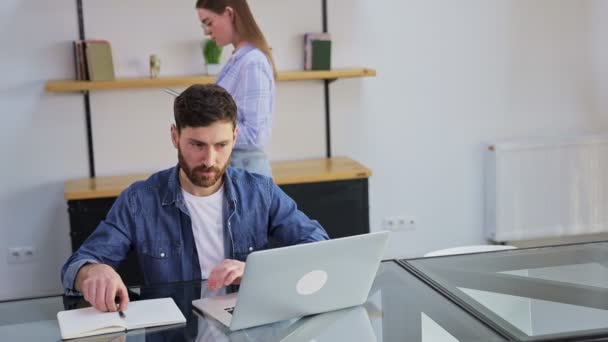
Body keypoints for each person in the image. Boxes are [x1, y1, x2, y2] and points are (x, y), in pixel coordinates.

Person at [61, 84, 329, 313]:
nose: (209, 160)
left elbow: (319, 246)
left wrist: (258, 271)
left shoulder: (260, 192)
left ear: (235, 138)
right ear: (175, 137)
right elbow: (78, 265)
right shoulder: (139, 200)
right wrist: (93, 272)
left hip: (247, 330)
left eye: (221, 145)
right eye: (197, 145)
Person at [196, 0, 276, 177]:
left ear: (229, 14)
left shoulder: (252, 62)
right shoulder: (238, 60)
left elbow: (255, 134)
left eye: (209, 22)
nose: (207, 31)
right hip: (235, 169)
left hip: (246, 172)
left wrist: (206, 130)